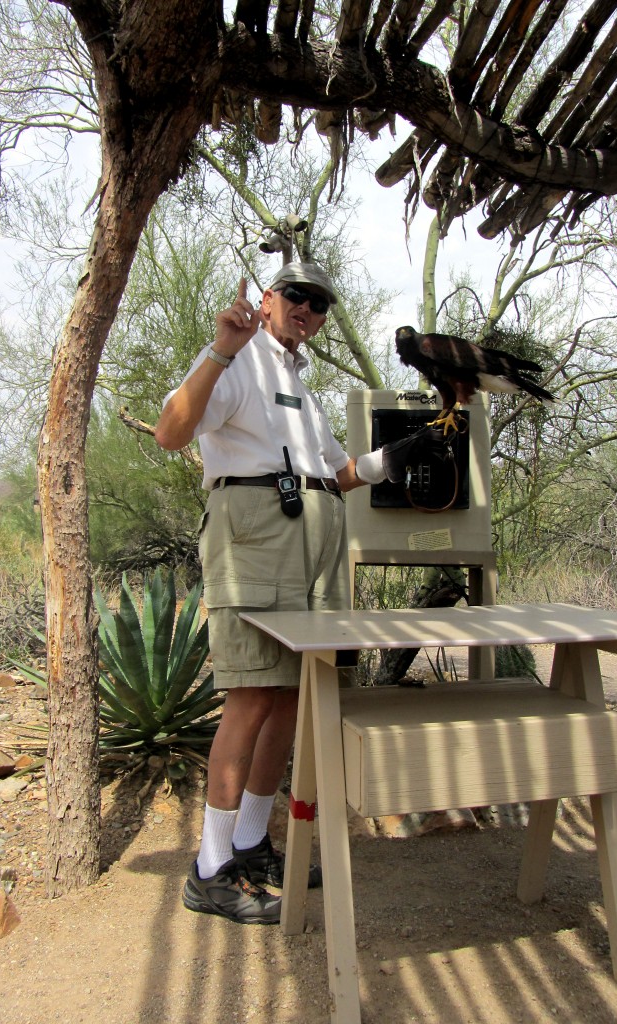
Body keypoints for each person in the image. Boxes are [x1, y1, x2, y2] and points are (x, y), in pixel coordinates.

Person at [155, 262, 386, 925]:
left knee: (290, 696)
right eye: (295, 295)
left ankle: (253, 842)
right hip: (255, 542)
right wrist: (221, 350)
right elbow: (173, 432)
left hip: (313, 552)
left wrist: (400, 457)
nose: (307, 309)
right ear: (266, 298)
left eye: (319, 303)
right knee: (253, 695)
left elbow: (338, 473)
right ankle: (210, 868)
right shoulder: (235, 362)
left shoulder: (301, 390)